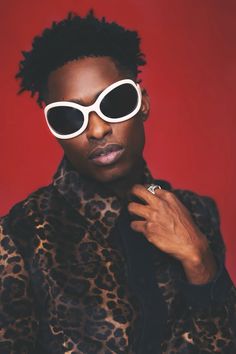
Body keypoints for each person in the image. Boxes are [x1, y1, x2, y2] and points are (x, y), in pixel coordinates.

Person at [0, 10, 235, 354]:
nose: (97, 129)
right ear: (54, 131)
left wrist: (200, 261)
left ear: (143, 103)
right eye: (68, 117)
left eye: (114, 102)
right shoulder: (21, 235)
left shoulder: (197, 213)